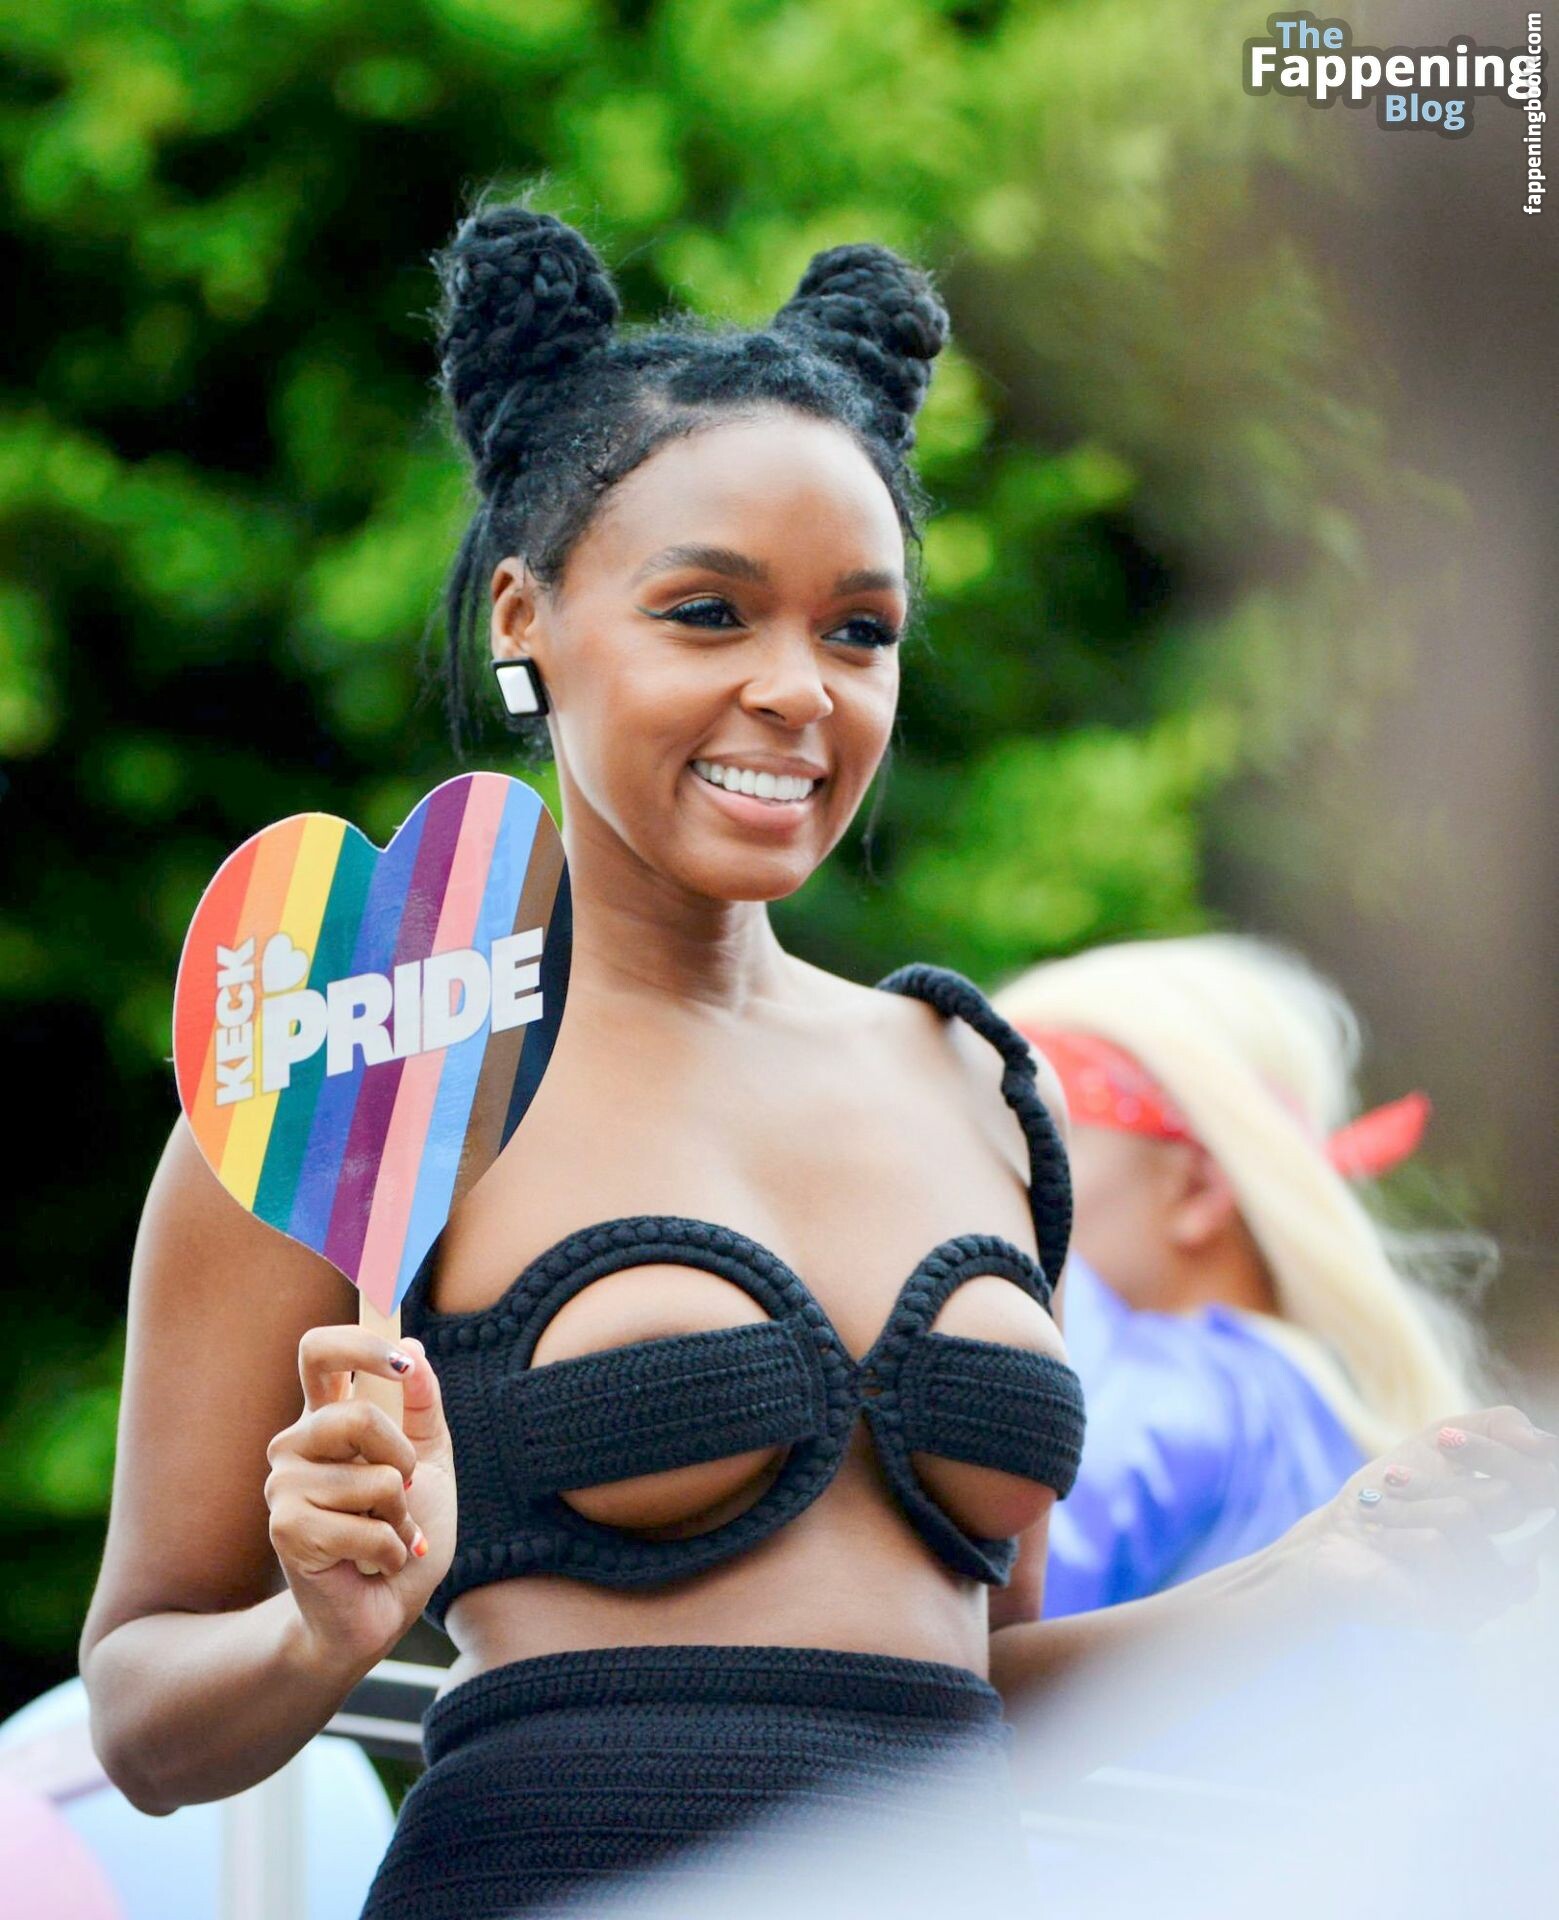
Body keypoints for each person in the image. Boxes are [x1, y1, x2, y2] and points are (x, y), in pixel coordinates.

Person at [77, 200, 1558, 1919]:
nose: (799, 690)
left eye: (857, 630)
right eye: (707, 612)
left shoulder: (974, 1085)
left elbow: (966, 1697)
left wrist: (1313, 1579)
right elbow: (141, 1720)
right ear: (523, 615)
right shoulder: (371, 1069)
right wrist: (316, 1633)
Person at [991, 935, 1487, 1618]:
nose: (990, 1179)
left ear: (1197, 1189)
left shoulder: (1177, 1398)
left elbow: (979, 1623)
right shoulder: (1316, 1401)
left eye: (1034, 1142)